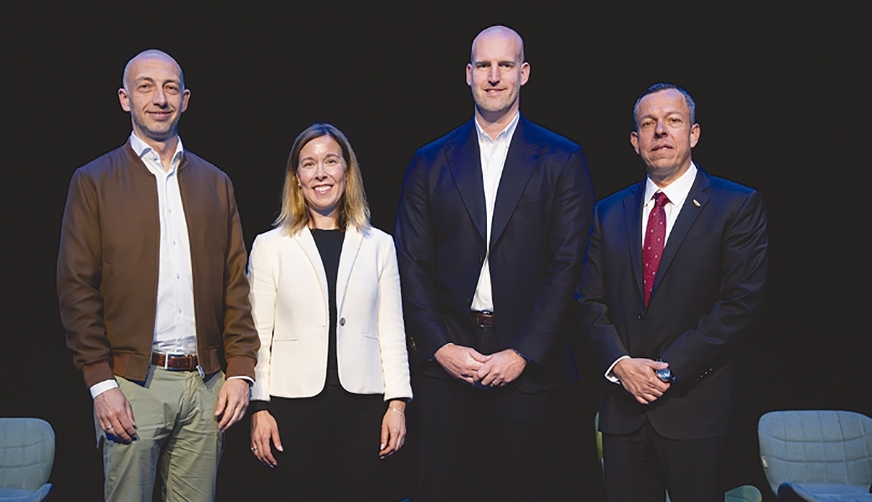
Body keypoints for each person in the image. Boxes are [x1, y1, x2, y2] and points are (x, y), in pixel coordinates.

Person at [394, 25, 595, 501]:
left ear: (523, 73)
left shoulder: (563, 158)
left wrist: (522, 352)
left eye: (505, 65)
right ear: (468, 74)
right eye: (483, 65)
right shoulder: (430, 161)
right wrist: (440, 347)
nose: (494, 76)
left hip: (527, 365)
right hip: (446, 365)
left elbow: (569, 263)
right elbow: (410, 262)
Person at [57, 49, 259, 501]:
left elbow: (235, 285)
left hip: (207, 384)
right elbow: (76, 288)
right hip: (132, 384)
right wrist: (101, 383)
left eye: (170, 88)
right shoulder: (94, 181)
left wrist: (241, 371)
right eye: (146, 86)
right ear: (125, 99)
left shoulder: (215, 182)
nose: (159, 98)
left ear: (185, 99)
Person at [575, 83, 769, 501]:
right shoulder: (608, 212)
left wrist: (666, 369)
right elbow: (587, 302)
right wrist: (621, 365)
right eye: (648, 124)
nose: (660, 131)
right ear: (635, 141)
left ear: (694, 134)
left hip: (696, 412)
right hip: (623, 412)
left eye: (673, 121)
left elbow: (738, 305)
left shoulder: (736, 206)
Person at [247, 123, 412, 501]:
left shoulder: (379, 245)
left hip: (364, 408)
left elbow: (391, 330)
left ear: (346, 172)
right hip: (292, 408)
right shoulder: (270, 246)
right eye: (309, 164)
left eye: (331, 161)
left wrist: (397, 404)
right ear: (297, 178)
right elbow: (257, 333)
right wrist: (259, 407)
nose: (321, 172)